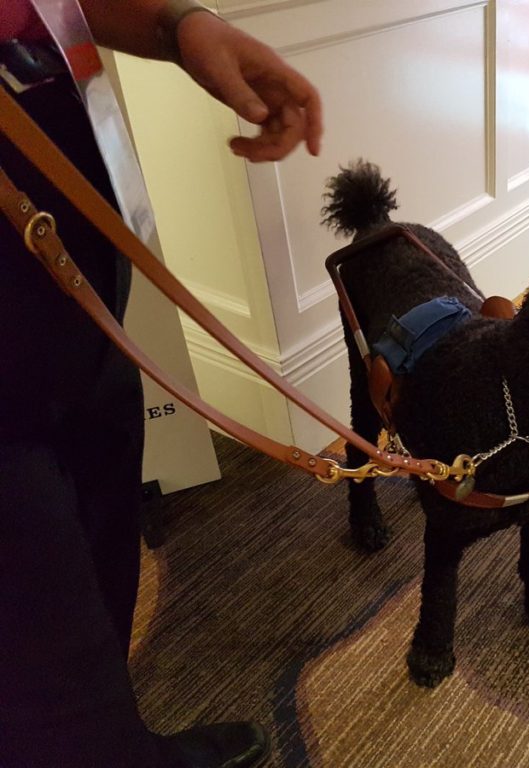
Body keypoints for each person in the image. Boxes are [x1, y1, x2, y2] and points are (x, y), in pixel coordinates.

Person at [0, 1, 321, 766]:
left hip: (66, 249)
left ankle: (115, 738)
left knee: (99, 530)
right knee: (34, 631)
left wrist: (176, 27)